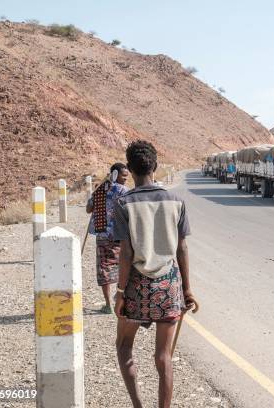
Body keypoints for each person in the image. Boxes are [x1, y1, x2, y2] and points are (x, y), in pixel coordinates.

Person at [112, 140, 196, 408]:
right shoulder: (176, 201)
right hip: (168, 287)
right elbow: (182, 247)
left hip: (136, 287)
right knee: (164, 357)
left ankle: (138, 405)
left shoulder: (124, 203)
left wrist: (120, 293)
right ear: (155, 167)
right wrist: (187, 290)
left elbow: (125, 254)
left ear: (130, 169)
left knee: (124, 347)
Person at [85, 163, 130, 314]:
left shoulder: (100, 189)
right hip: (120, 235)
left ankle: (107, 305)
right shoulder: (124, 191)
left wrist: (98, 194)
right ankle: (122, 300)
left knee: (104, 268)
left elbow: (88, 209)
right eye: (124, 176)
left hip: (103, 234)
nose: (126, 179)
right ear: (116, 174)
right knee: (123, 265)